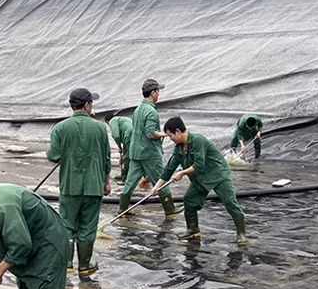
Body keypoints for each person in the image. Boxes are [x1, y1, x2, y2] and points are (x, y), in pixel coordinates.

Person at [151, 117, 247, 245]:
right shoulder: (179, 148)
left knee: (230, 203)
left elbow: (199, 165)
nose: (170, 139)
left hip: (218, 174)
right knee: (189, 199)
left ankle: (241, 234)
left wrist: (182, 173)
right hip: (200, 179)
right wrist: (157, 187)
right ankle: (192, 229)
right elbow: (169, 169)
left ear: (178, 131)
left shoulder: (197, 140)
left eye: (170, 136)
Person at [47, 88, 111, 277]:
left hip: (69, 186)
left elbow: (53, 155)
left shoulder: (60, 128)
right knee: (88, 226)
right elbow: (107, 159)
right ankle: (84, 266)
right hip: (94, 186)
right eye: (91, 103)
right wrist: (107, 183)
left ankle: (66, 265)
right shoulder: (100, 128)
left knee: (67, 225)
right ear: (87, 105)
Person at [119, 78, 182, 218]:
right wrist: (166, 133)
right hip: (149, 153)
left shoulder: (138, 110)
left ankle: (122, 209)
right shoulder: (151, 112)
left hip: (136, 152)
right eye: (158, 91)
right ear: (153, 92)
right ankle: (170, 209)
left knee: (130, 181)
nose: (159, 94)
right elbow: (150, 133)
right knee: (160, 178)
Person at [104, 112, 133, 183]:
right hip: (137, 136)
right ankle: (126, 175)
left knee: (127, 158)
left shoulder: (112, 121)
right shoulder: (124, 119)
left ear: (107, 121)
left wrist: (119, 146)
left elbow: (116, 135)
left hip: (129, 135)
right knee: (131, 156)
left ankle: (125, 178)